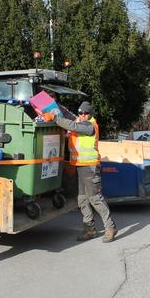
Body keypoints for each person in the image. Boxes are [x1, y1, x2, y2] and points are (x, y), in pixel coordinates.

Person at [44, 101, 117, 242]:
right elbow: (71, 125)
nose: (83, 115)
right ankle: (89, 229)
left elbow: (72, 125)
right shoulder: (80, 123)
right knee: (82, 199)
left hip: (90, 167)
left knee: (95, 198)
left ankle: (110, 227)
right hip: (80, 166)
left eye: (86, 113)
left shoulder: (90, 125)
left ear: (91, 114)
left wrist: (54, 118)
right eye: (81, 113)